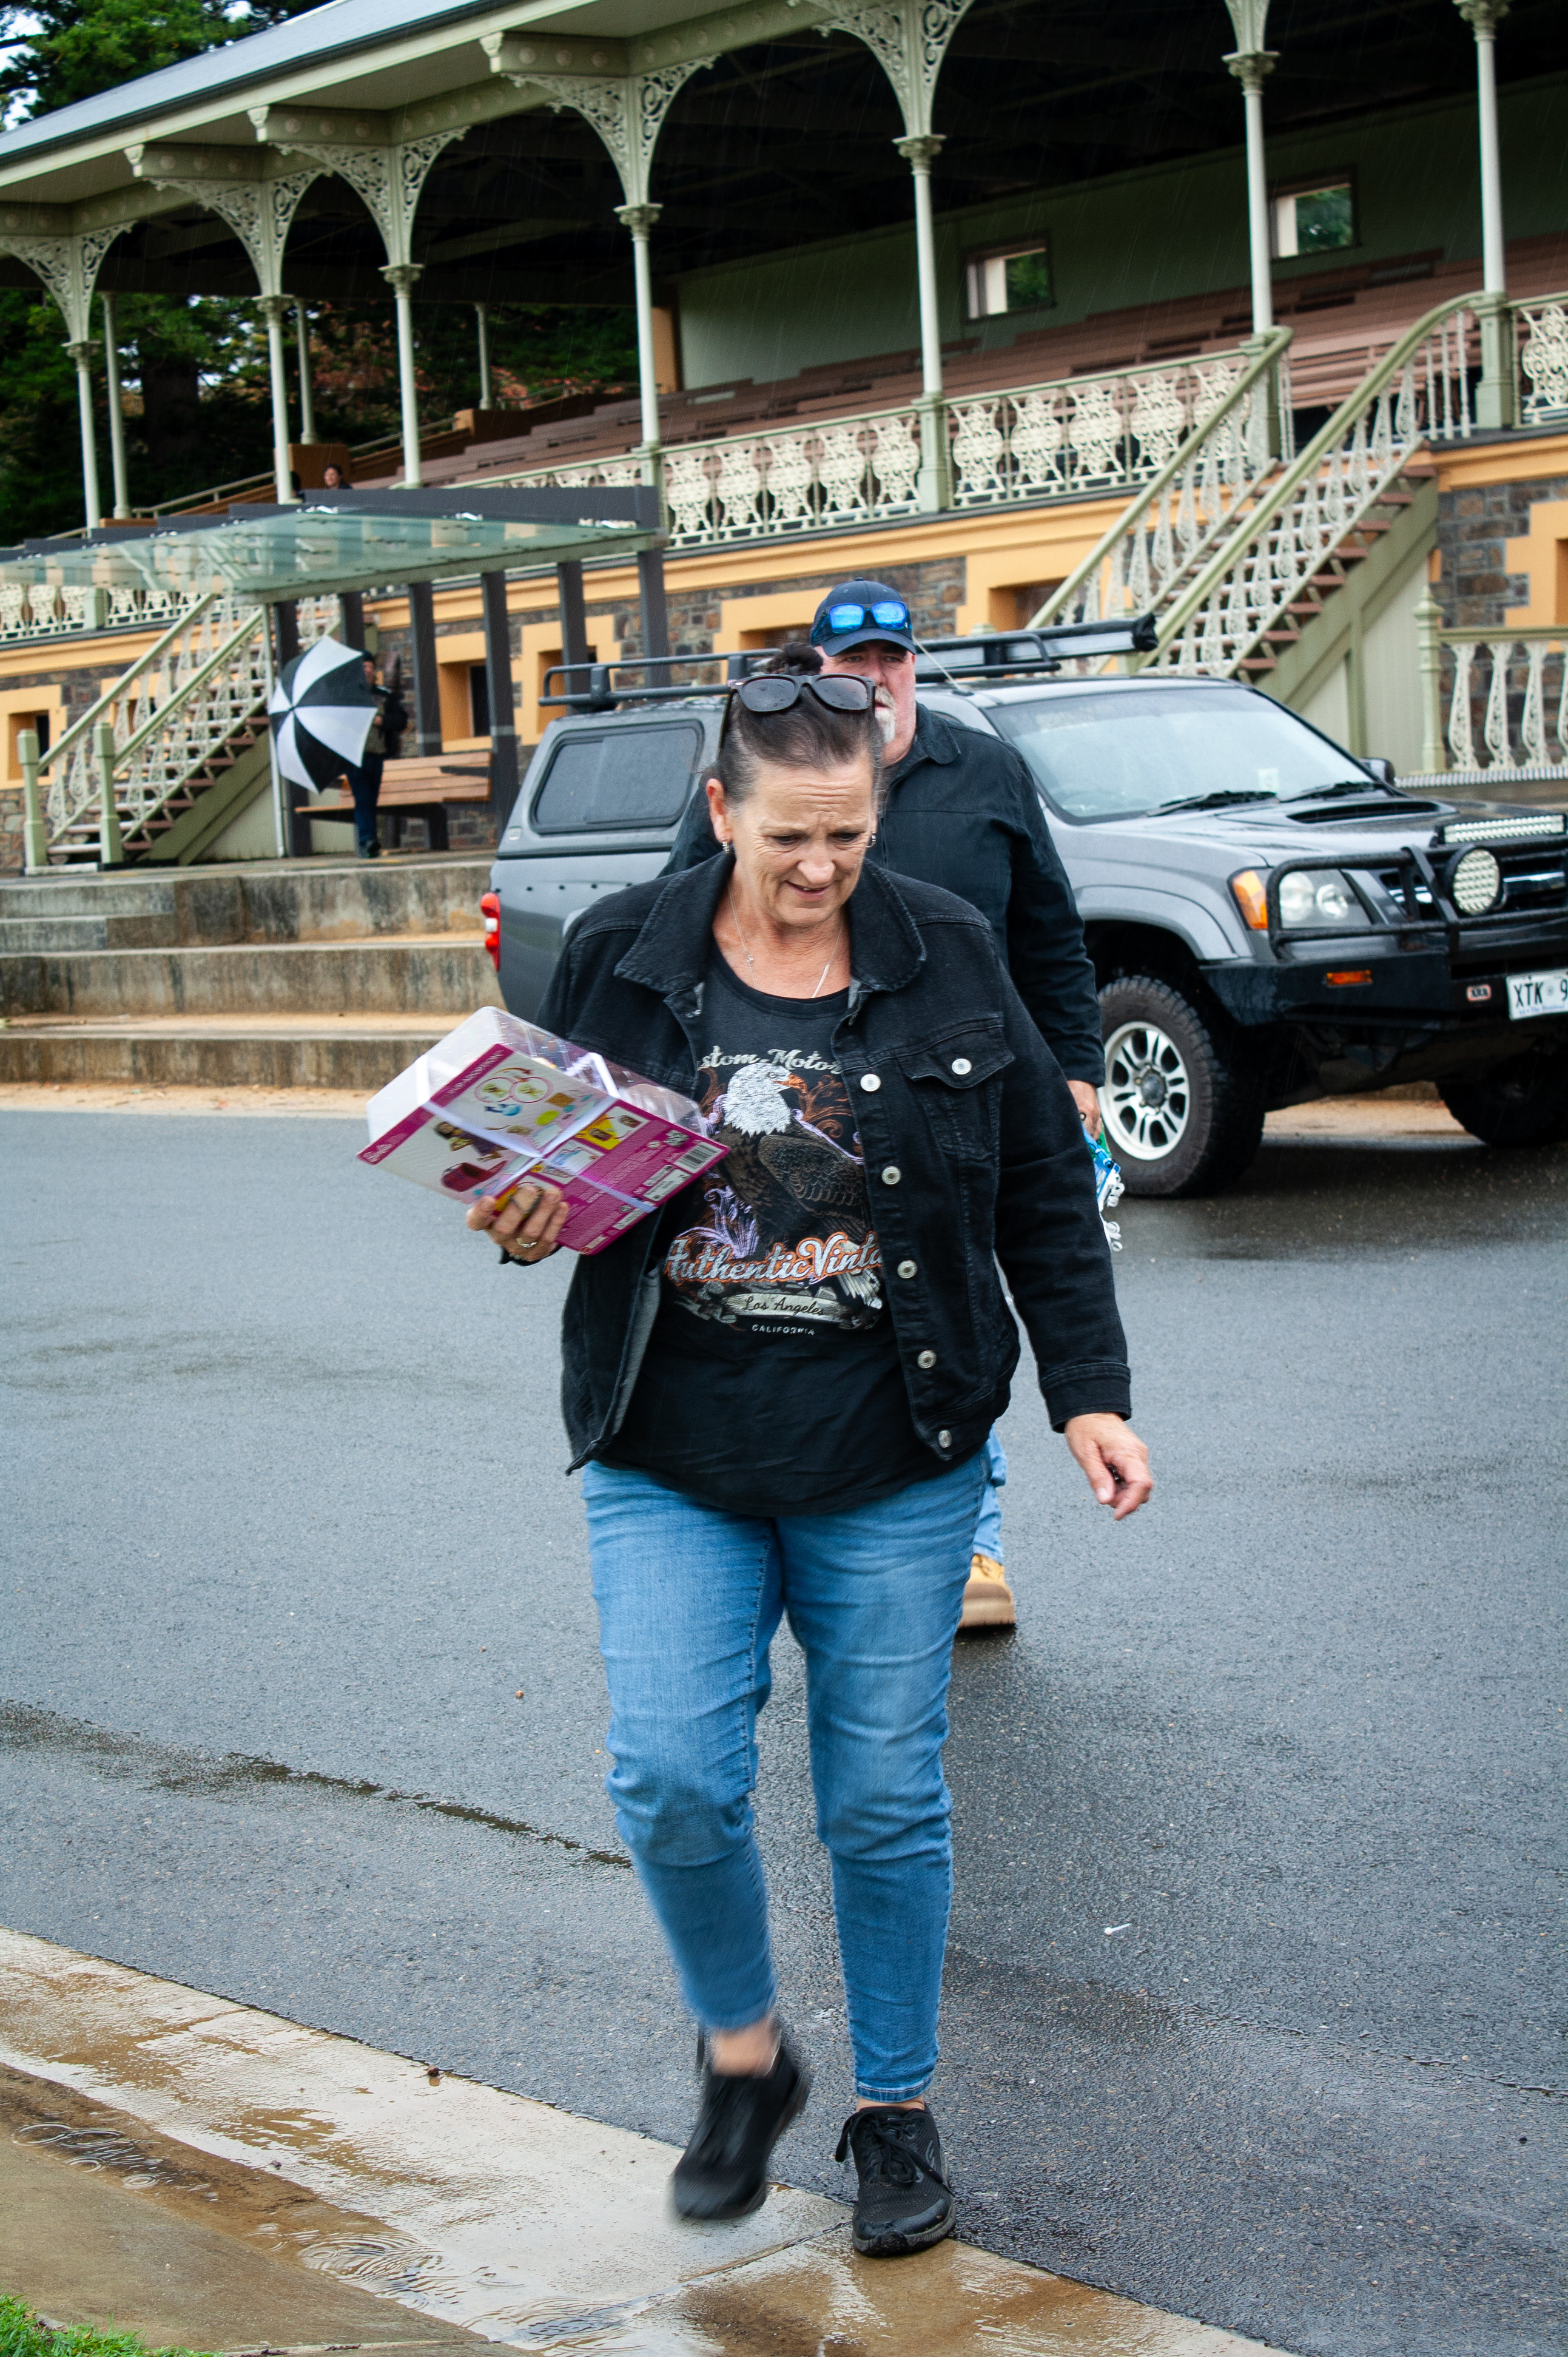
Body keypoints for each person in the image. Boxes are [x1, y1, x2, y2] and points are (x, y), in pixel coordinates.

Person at [466, 667, 1152, 2256]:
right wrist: (522, 1219)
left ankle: (894, 2108)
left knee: (881, 1798)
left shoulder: (948, 948)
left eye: (848, 832)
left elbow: (1041, 1191)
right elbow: (551, 1177)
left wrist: (1091, 1395)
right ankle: (745, 2058)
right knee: (671, 1775)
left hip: (897, 1445)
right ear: (723, 810)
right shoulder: (620, 953)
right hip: (670, 1443)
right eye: (790, 835)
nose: (821, 865)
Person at [664, 582, 1107, 1631]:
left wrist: (1074, 1066)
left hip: (969, 1089)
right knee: (866, 1299)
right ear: (817, 673)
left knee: (961, 1290)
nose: (876, 678)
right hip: (821, 1094)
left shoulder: (987, 769)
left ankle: (971, 1542)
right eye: (854, 662)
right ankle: (815, 1537)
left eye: (893, 659)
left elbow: (1050, 932)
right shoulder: (758, 778)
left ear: (913, 664)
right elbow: (679, 924)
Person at [351, 653, 406, 861]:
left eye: (370, 667)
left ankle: (369, 842)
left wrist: (382, 721)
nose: (367, 670)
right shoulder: (350, 697)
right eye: (363, 667)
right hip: (355, 757)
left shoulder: (384, 695)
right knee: (363, 799)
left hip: (378, 755)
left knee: (371, 800)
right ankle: (368, 839)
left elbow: (401, 720)